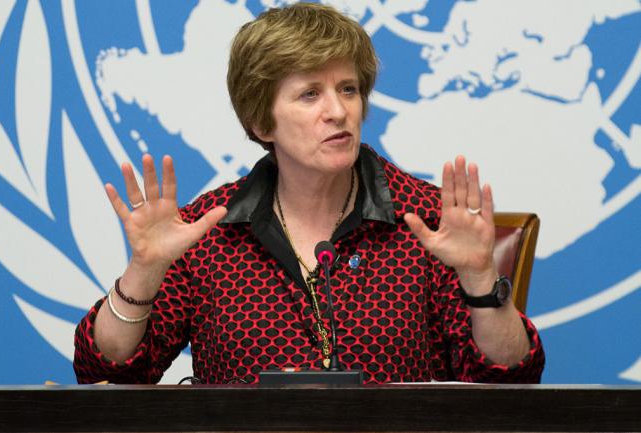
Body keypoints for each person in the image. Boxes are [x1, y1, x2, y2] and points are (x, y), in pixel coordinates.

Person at [74, 2, 544, 384]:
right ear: (261, 122)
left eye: (348, 89)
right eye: (310, 94)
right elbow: (104, 371)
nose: (338, 111)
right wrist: (144, 271)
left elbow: (512, 379)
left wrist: (480, 278)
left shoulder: (426, 219)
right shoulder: (209, 229)